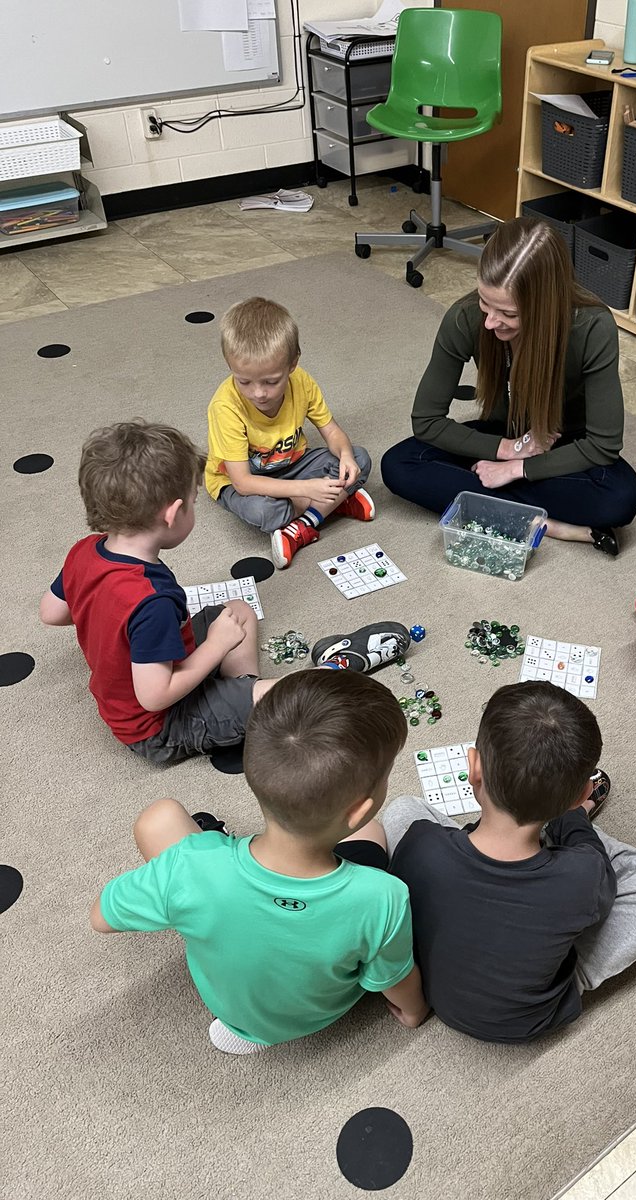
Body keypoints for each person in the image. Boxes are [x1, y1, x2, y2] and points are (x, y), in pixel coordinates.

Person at [90, 670, 429, 1055]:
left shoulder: (191, 866)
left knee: (160, 817)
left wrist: (181, 888)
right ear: (360, 809)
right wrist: (414, 1012)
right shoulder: (382, 896)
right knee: (372, 836)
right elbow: (395, 978)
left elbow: (101, 918)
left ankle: (207, 906)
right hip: (317, 1013)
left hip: (229, 994)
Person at [39, 421, 408, 766]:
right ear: (174, 513)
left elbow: (51, 613)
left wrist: (104, 613)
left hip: (154, 678)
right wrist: (215, 645)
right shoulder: (151, 601)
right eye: (194, 502)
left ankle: (241, 695)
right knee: (279, 693)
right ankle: (324, 674)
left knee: (237, 612)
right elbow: (154, 696)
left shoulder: (84, 551)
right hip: (159, 726)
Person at [381, 682, 636, 1044]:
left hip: (432, 986)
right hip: (528, 1018)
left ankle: (507, 832)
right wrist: (575, 820)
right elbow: (592, 864)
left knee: (402, 809)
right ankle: (557, 828)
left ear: (474, 768)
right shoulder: (582, 875)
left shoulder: (422, 843)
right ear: (583, 794)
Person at [380, 217, 636, 557]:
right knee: (400, 464)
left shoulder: (593, 326)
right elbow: (427, 421)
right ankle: (543, 523)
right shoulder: (464, 318)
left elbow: (603, 444)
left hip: (565, 441)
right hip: (502, 432)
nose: (490, 321)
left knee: (621, 498)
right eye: (484, 302)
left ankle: (495, 509)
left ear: (545, 306)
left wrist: (519, 469)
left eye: (508, 313)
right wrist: (507, 449)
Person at [206, 296, 375, 570]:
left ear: (293, 364)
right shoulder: (225, 406)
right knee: (262, 512)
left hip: (293, 464)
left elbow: (331, 430)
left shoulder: (302, 381)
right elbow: (243, 483)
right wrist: (307, 489)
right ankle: (333, 503)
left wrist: (345, 455)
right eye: (244, 381)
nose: (258, 393)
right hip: (240, 480)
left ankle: (303, 524)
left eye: (271, 382)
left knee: (360, 458)